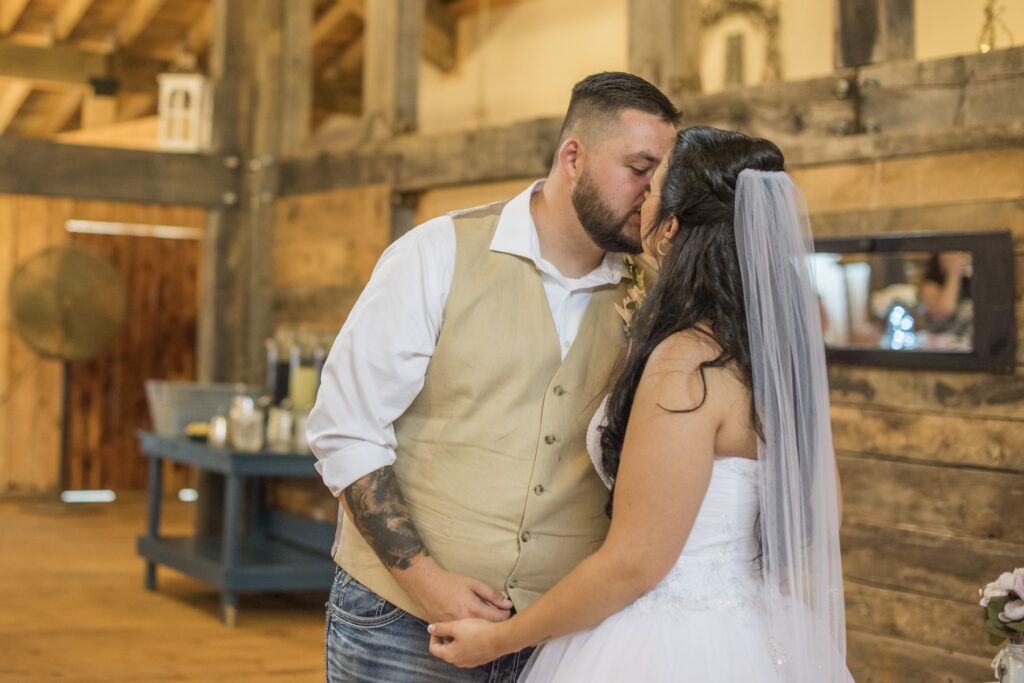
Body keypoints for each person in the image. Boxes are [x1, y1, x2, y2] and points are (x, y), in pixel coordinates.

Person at [428, 126, 855, 682]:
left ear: (671, 228)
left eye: (650, 188)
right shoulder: (775, 362)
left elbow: (635, 563)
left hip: (664, 642)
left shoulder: (690, 363)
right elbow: (824, 516)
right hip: (756, 631)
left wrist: (499, 640)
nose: (638, 200)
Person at [306, 71, 680, 682]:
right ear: (573, 157)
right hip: (403, 628)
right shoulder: (435, 254)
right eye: (639, 168)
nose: (653, 192)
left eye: (663, 176)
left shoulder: (654, 296)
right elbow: (345, 431)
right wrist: (427, 584)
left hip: (562, 641)